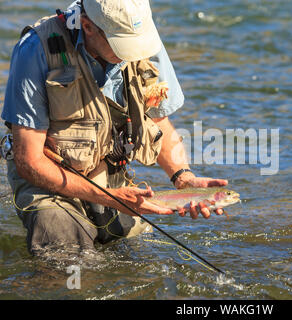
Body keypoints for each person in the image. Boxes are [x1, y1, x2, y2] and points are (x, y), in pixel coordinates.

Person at [1, 0, 228, 255]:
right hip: (49, 185)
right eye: (122, 43)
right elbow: (28, 161)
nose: (133, 52)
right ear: (88, 26)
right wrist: (111, 198)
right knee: (65, 256)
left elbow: (157, 121)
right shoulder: (36, 49)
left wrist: (183, 178)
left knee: (133, 256)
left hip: (112, 181)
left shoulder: (144, 41)